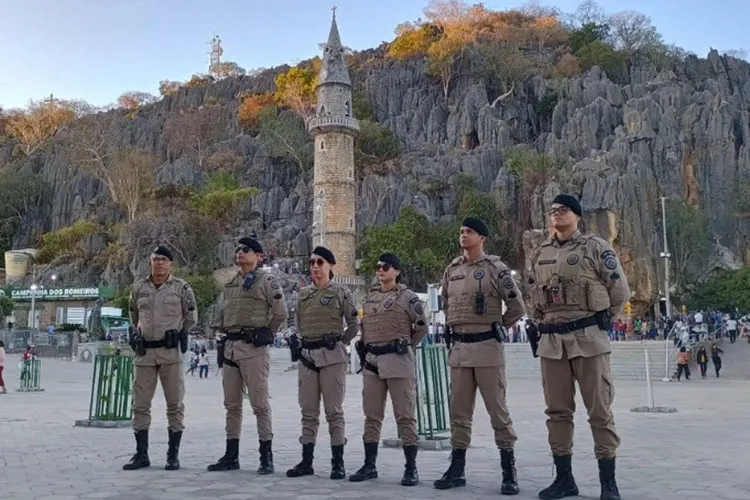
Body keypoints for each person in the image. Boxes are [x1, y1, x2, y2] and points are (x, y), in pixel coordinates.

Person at [527, 194, 629, 500]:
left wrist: (601, 323)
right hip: (552, 343)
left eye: (564, 210)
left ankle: (608, 484)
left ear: (577, 216)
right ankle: (564, 479)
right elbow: (534, 295)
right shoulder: (540, 252)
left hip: (588, 341)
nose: (557, 214)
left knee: (599, 411)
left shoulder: (595, 247)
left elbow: (620, 291)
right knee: (557, 413)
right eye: (553, 211)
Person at [434, 217, 526, 495]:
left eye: (470, 232)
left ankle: (509, 471)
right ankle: (457, 469)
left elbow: (517, 307)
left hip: (487, 348)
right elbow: (447, 304)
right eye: (461, 231)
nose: (464, 235)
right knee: (459, 413)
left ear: (482, 238)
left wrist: (499, 327)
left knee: (497, 412)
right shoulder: (452, 270)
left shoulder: (495, 269)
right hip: (460, 349)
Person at [208, 237, 288, 474]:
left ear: (259, 257)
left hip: (253, 348)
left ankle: (266, 456)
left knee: (260, 405)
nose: (240, 253)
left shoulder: (267, 280)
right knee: (231, 405)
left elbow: (281, 313)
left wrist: (267, 333)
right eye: (238, 250)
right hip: (231, 347)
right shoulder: (232, 283)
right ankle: (231, 455)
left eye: (246, 250)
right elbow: (225, 313)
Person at [349, 253, 428, 486]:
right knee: (372, 416)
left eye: (385, 267)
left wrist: (405, 345)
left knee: (404, 416)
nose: (380, 270)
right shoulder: (371, 297)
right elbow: (365, 328)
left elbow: (421, 328)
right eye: (378, 267)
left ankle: (411, 467)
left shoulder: (408, 297)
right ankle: (370, 465)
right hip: (373, 362)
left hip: (398, 360)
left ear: (396, 271)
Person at [286, 246, 358, 480]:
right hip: (308, 358)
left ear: (329, 266)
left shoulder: (341, 292)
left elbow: (354, 324)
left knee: (333, 412)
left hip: (332, 357)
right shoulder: (303, 294)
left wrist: (339, 342)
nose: (315, 266)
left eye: (319, 262)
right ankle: (307, 461)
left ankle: (338, 463)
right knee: (308, 412)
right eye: (312, 262)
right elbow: (297, 324)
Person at [124, 245, 197, 471]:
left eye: (164, 260)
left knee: (175, 404)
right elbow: (134, 314)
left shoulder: (181, 288)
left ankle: (172, 455)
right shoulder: (139, 288)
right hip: (145, 354)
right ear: (150, 262)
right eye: (155, 259)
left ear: (170, 264)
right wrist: (137, 334)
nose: (159, 263)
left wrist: (179, 333)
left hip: (170, 354)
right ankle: (141, 454)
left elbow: (191, 316)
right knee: (140, 404)